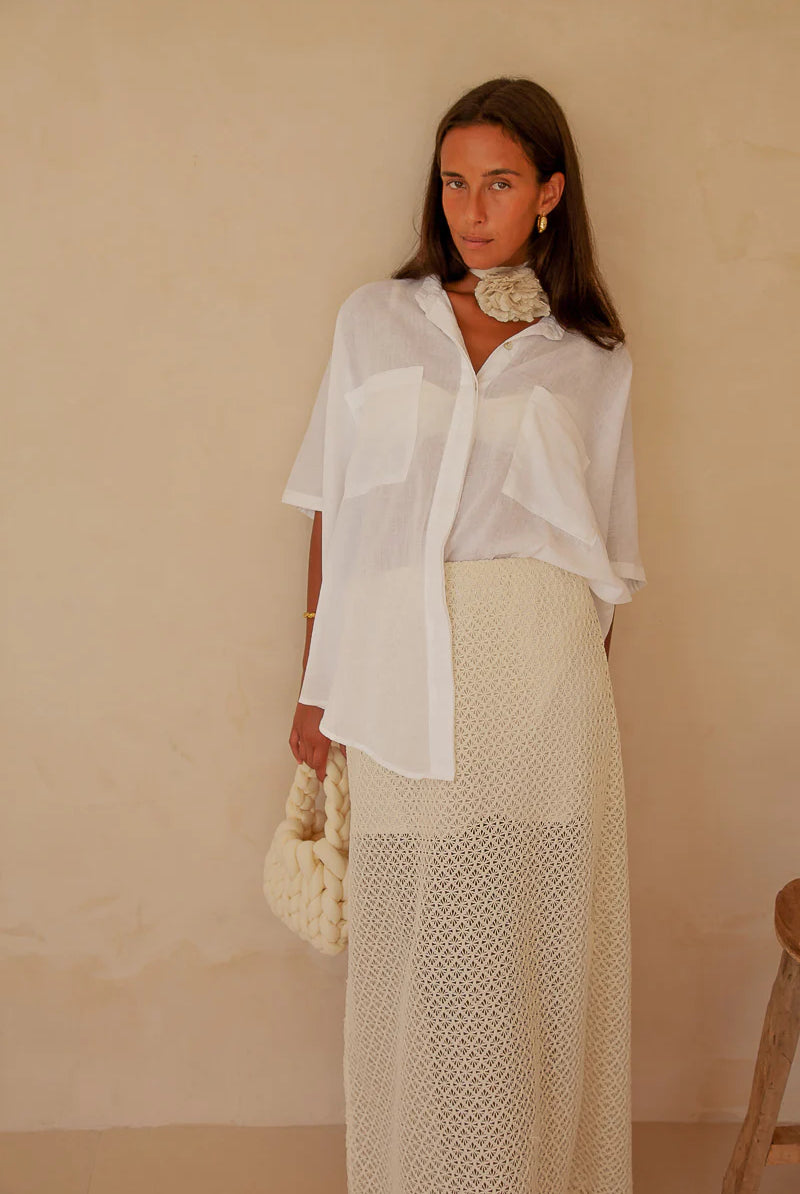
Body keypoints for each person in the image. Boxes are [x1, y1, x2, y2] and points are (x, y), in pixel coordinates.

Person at [283, 76, 646, 1194]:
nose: (471, 206)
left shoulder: (590, 359)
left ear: (548, 194)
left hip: (538, 678)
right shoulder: (373, 321)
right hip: (396, 674)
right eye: (453, 181)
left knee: (533, 959)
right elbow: (334, 508)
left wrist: (569, 706)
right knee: (422, 962)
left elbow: (606, 565)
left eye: (498, 182)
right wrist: (316, 682)